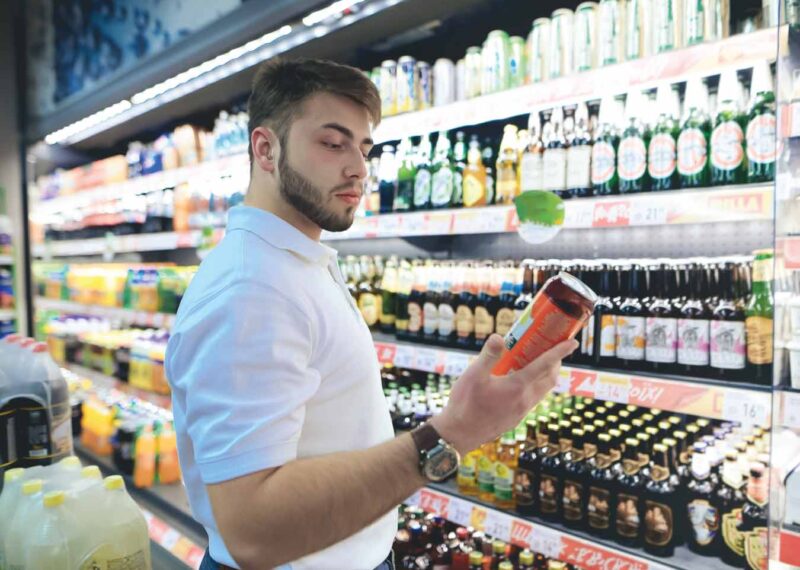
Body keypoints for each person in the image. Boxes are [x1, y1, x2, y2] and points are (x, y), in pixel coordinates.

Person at [165, 57, 576, 570]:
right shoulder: (253, 287)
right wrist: (453, 431)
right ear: (265, 149)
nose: (359, 168)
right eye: (333, 144)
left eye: (365, 149)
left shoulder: (293, 263)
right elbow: (252, 529)